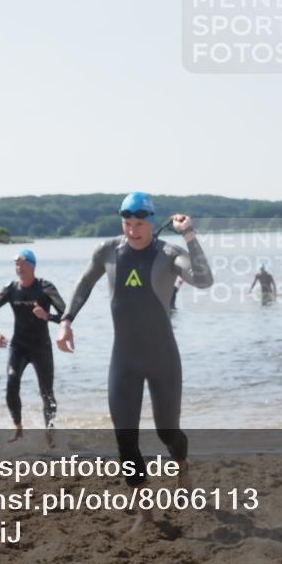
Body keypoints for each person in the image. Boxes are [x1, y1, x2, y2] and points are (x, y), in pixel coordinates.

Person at [56, 192, 213, 531]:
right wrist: (66, 320)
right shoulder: (108, 251)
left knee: (167, 431)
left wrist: (189, 235)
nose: (132, 231)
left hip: (162, 358)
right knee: (125, 439)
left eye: (139, 224)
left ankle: (182, 466)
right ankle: (145, 511)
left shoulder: (168, 253)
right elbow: (84, 283)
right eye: (127, 224)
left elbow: (204, 279)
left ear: (152, 223)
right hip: (124, 359)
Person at [0, 249, 66, 442]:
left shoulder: (45, 288)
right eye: (16, 264)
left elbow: (66, 315)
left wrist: (47, 316)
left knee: (47, 393)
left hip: (41, 347)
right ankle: (18, 427)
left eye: (22, 263)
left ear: (32, 265)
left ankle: (49, 431)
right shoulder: (11, 289)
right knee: (11, 384)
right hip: (19, 346)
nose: (18, 267)